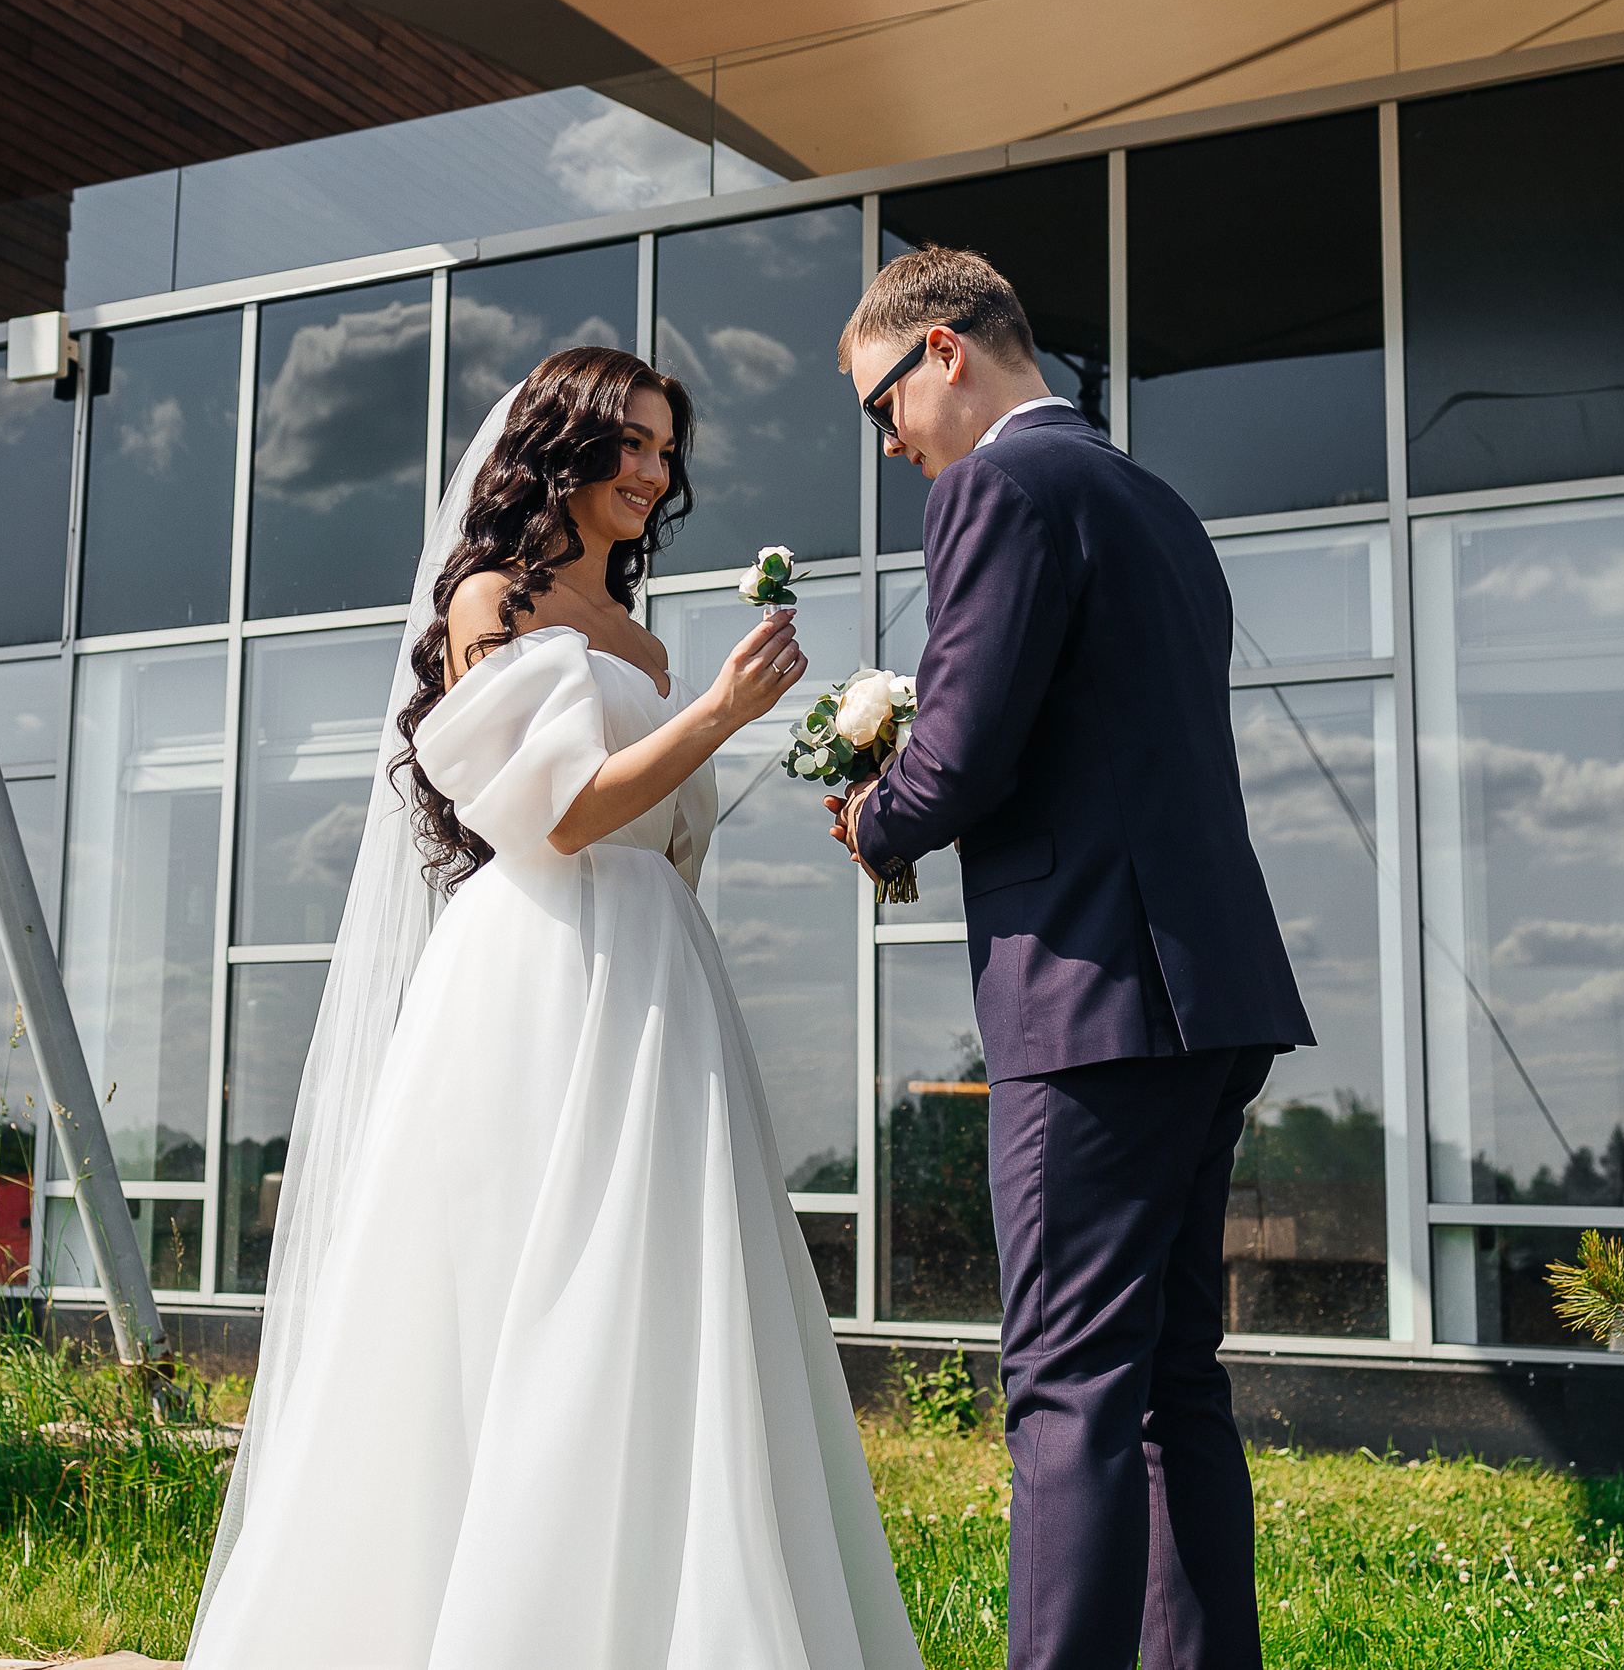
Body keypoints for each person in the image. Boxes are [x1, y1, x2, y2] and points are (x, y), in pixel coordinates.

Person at [188, 347, 922, 1670]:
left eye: (664, 448)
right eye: (628, 444)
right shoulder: (492, 600)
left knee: (660, 1298)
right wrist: (717, 712)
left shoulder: (637, 636)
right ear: (557, 455)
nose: (654, 471)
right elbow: (561, 813)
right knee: (517, 1293)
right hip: (536, 978)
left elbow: (665, 835)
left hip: (655, 979)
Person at [827, 249, 1314, 1670]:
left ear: (945, 351)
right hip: (1207, 994)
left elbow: (967, 754)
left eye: (884, 407)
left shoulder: (999, 487)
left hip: (1090, 1002)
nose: (893, 445)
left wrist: (877, 812)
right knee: (1169, 1385)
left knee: (1066, 1392)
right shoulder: (1159, 506)